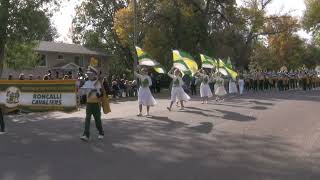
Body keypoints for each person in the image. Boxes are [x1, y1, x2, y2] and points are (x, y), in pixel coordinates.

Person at [80, 66, 104, 142]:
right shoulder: (87, 82)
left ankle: (101, 132)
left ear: (94, 75)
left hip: (96, 104)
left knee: (97, 120)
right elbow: (82, 92)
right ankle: (86, 135)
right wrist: (81, 89)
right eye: (88, 74)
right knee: (87, 119)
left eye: (90, 74)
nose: (89, 75)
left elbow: (100, 94)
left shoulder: (98, 83)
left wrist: (95, 91)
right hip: (89, 104)